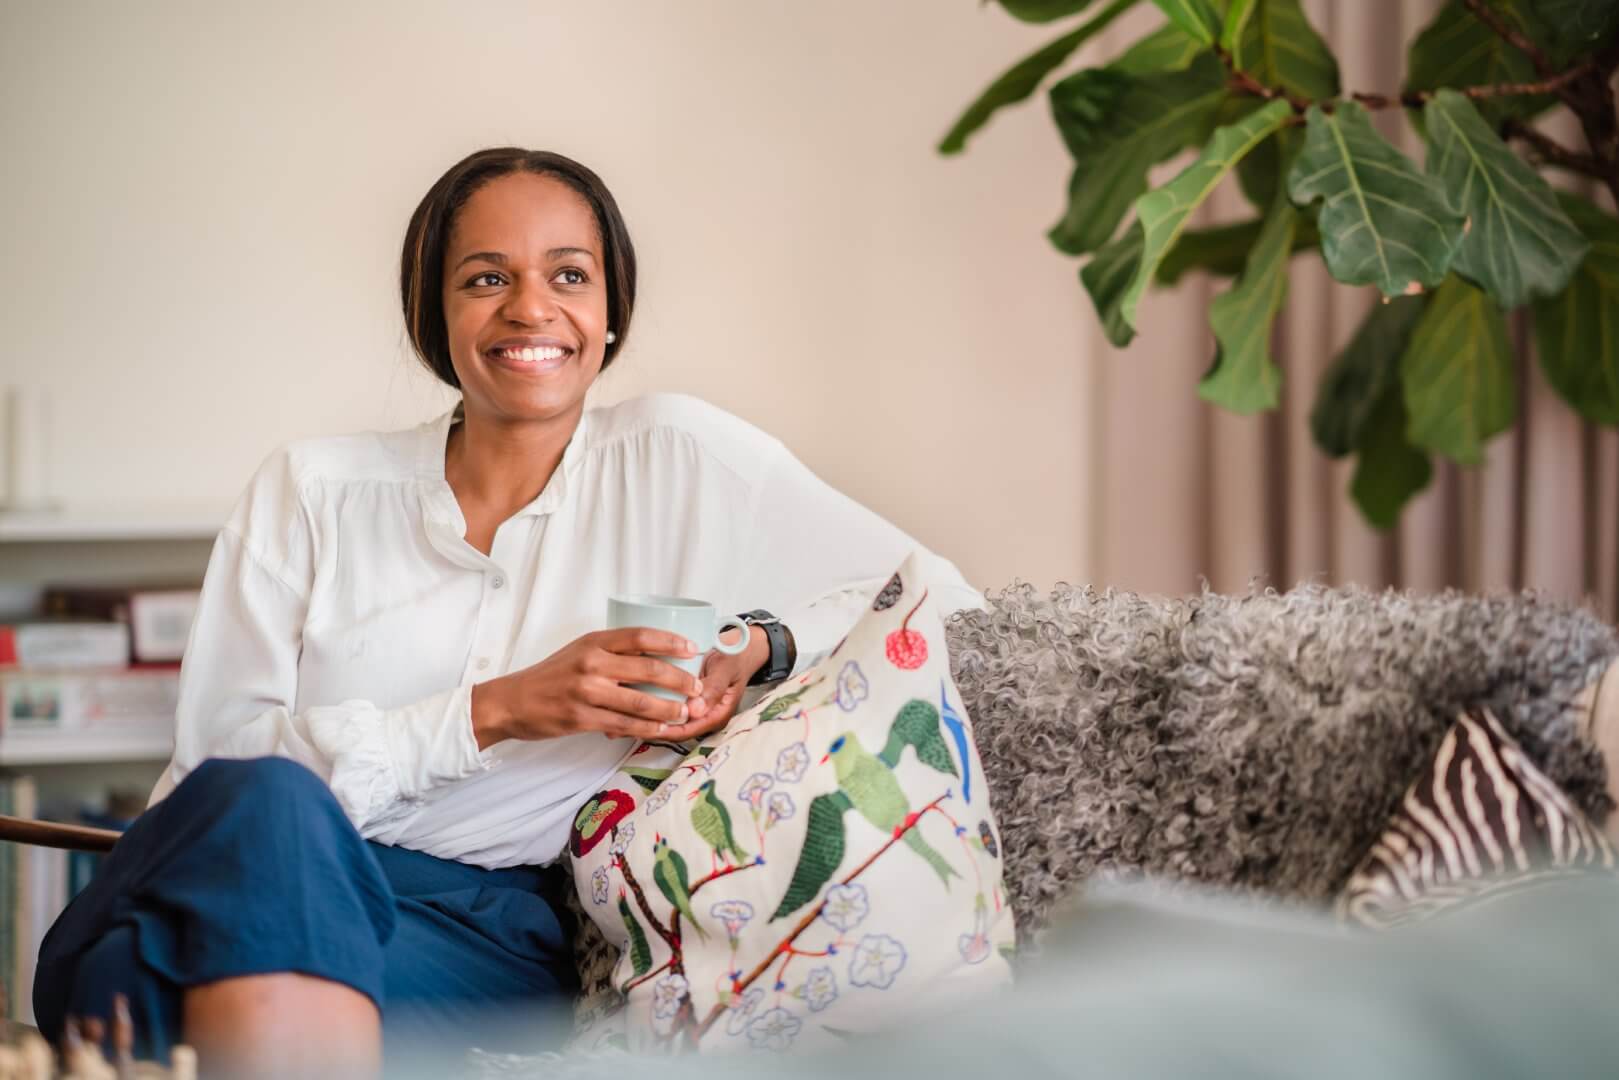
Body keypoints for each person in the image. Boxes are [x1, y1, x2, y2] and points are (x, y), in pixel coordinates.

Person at [33, 147, 984, 1077]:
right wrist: (498, 710)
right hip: (231, 870)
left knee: (136, 984)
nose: (531, 308)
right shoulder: (314, 489)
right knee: (272, 805)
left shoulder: (683, 459)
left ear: (609, 313)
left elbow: (939, 590)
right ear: (434, 312)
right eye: (486, 278)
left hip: (469, 934)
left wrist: (760, 646)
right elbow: (212, 773)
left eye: (569, 274)